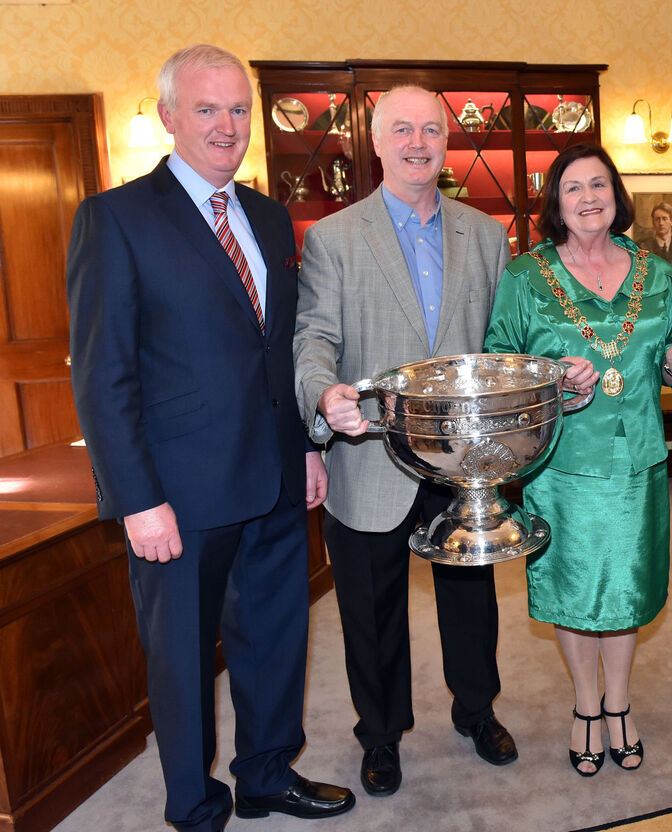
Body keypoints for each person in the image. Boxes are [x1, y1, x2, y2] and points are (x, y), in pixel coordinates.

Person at [66, 44, 354, 829]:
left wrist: (304, 447)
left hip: (270, 477)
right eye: (206, 109)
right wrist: (137, 500)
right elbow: (102, 377)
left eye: (237, 111)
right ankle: (193, 805)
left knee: (274, 638)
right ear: (167, 117)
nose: (226, 127)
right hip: (178, 495)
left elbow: (281, 346)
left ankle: (266, 776)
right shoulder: (115, 218)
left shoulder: (264, 213)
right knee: (185, 659)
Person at [292, 85, 524, 798]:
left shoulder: (486, 234)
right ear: (375, 140)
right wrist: (323, 397)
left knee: (470, 598)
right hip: (370, 458)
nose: (418, 142)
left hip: (462, 463)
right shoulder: (334, 237)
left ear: (445, 141)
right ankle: (381, 734)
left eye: (430, 129)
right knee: (369, 608)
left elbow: (501, 342)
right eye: (402, 129)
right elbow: (315, 340)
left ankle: (477, 710)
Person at [484, 144, 672, 777]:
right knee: (574, 592)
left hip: (637, 459)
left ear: (617, 196)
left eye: (600, 185)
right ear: (556, 202)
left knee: (627, 592)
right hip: (559, 466)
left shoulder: (654, 272)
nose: (588, 197)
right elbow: (500, 362)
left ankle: (620, 703)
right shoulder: (526, 275)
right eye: (573, 187)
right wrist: (551, 374)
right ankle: (586, 706)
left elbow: (667, 362)